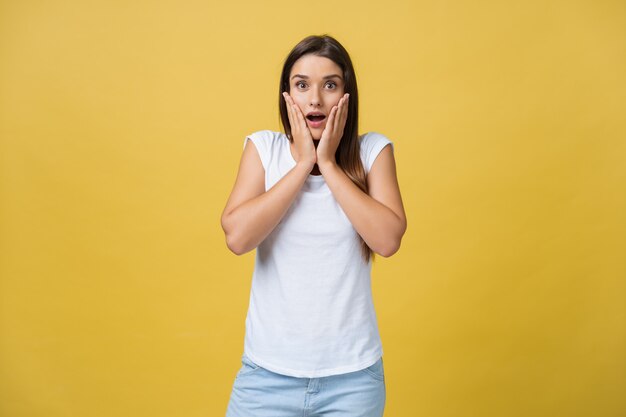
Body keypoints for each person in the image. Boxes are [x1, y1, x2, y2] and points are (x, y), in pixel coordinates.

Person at [221, 34, 407, 417]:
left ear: (346, 94)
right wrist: (304, 164)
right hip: (266, 376)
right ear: (286, 94)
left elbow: (388, 240)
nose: (315, 99)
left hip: (352, 381)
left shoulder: (373, 151)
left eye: (330, 84)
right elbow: (237, 237)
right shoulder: (264, 149)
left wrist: (330, 164)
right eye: (302, 85)